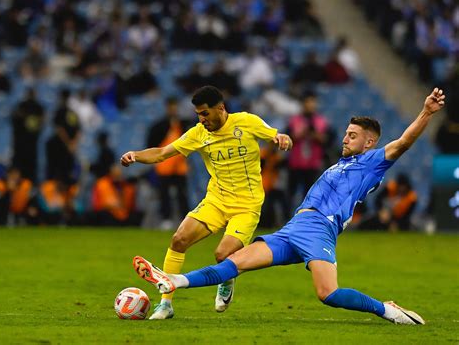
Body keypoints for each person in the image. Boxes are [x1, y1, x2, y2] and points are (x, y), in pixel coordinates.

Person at [132, 88, 446, 325]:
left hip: (320, 229)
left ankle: (388, 311)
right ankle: (173, 281)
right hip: (294, 227)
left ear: (369, 143)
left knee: (329, 295)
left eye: (353, 136)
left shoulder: (371, 163)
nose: (345, 139)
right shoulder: (339, 163)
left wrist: (426, 113)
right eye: (346, 133)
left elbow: (403, 142)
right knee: (233, 262)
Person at [120, 85, 292, 320]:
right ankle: (166, 305)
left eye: (204, 113)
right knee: (179, 239)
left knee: (223, 255)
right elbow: (162, 153)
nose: (201, 119)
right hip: (216, 200)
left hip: (247, 205)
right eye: (198, 114)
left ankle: (227, 278)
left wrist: (282, 138)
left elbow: (275, 135)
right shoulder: (198, 134)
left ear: (220, 108)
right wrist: (135, 155)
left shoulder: (246, 122)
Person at [147, 97, 193, 229]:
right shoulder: (159, 125)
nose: (173, 109)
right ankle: (166, 219)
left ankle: (185, 221)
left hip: (180, 165)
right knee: (164, 194)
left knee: (182, 194)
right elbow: (151, 144)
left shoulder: (183, 124)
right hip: (164, 165)